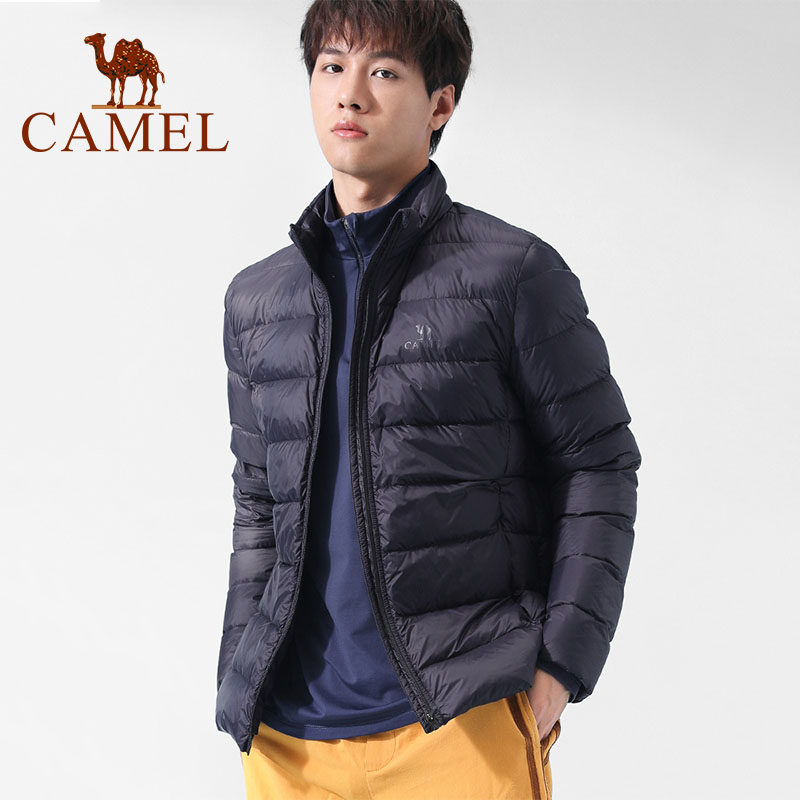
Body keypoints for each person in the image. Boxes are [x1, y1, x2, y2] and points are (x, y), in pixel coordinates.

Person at [214, 1, 641, 797]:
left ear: (440, 104)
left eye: (383, 71)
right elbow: (257, 501)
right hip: (288, 741)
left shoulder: (512, 273)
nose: (350, 93)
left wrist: (560, 666)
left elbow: (600, 463)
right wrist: (241, 668)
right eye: (332, 66)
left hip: (459, 724)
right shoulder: (257, 300)